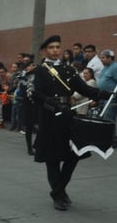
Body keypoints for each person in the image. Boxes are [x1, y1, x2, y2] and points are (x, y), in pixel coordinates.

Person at [33, 35, 110, 211]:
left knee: (74, 155)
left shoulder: (68, 70)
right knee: (52, 159)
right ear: (46, 50)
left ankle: (59, 190)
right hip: (50, 116)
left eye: (57, 47)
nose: (55, 50)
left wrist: (101, 93)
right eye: (51, 47)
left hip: (68, 116)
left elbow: (82, 88)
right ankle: (58, 194)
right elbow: (36, 94)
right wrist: (53, 104)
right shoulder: (40, 70)